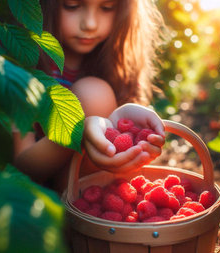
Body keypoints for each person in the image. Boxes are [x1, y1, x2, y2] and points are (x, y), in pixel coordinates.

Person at [13, 0, 168, 193]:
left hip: (90, 191)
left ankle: (80, 211)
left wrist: (130, 128)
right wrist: (78, 130)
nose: (90, 24)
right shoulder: (23, 66)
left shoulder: (117, 69)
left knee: (95, 94)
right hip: (33, 194)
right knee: (94, 94)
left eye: (106, 7)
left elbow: (124, 166)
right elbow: (20, 167)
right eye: (71, 5)